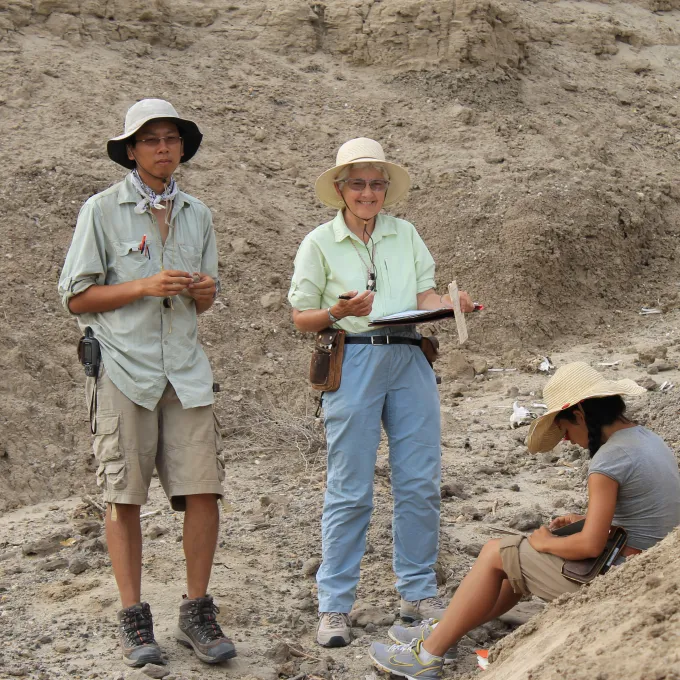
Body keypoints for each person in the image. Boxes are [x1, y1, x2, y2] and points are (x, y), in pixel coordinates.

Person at [58, 99, 236, 667]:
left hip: (184, 370)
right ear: (131, 151)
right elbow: (76, 296)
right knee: (123, 495)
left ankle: (197, 612)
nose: (163, 148)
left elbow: (203, 300)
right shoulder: (101, 211)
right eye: (151, 139)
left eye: (172, 139)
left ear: (182, 148)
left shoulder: (198, 214)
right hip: (122, 369)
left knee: (204, 489)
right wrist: (142, 287)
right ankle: (135, 621)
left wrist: (202, 293)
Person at [369, 361, 680, 679]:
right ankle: (446, 633)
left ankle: (425, 658)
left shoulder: (608, 460)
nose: (566, 441)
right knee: (514, 562)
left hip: (619, 581)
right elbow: (647, 512)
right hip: (649, 570)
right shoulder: (645, 438)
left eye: (564, 429)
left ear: (580, 414)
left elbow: (590, 545)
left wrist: (545, 541)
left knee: (496, 552)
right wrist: (584, 519)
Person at [288, 137, 474, 648]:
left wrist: (452, 304)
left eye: (376, 183)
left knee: (419, 480)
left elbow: (425, 295)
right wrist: (338, 313)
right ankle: (335, 605)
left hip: (409, 355)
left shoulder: (406, 234)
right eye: (358, 183)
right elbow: (302, 316)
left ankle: (417, 593)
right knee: (350, 487)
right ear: (341, 189)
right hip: (354, 356)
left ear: (385, 189)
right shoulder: (319, 243)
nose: (368, 192)